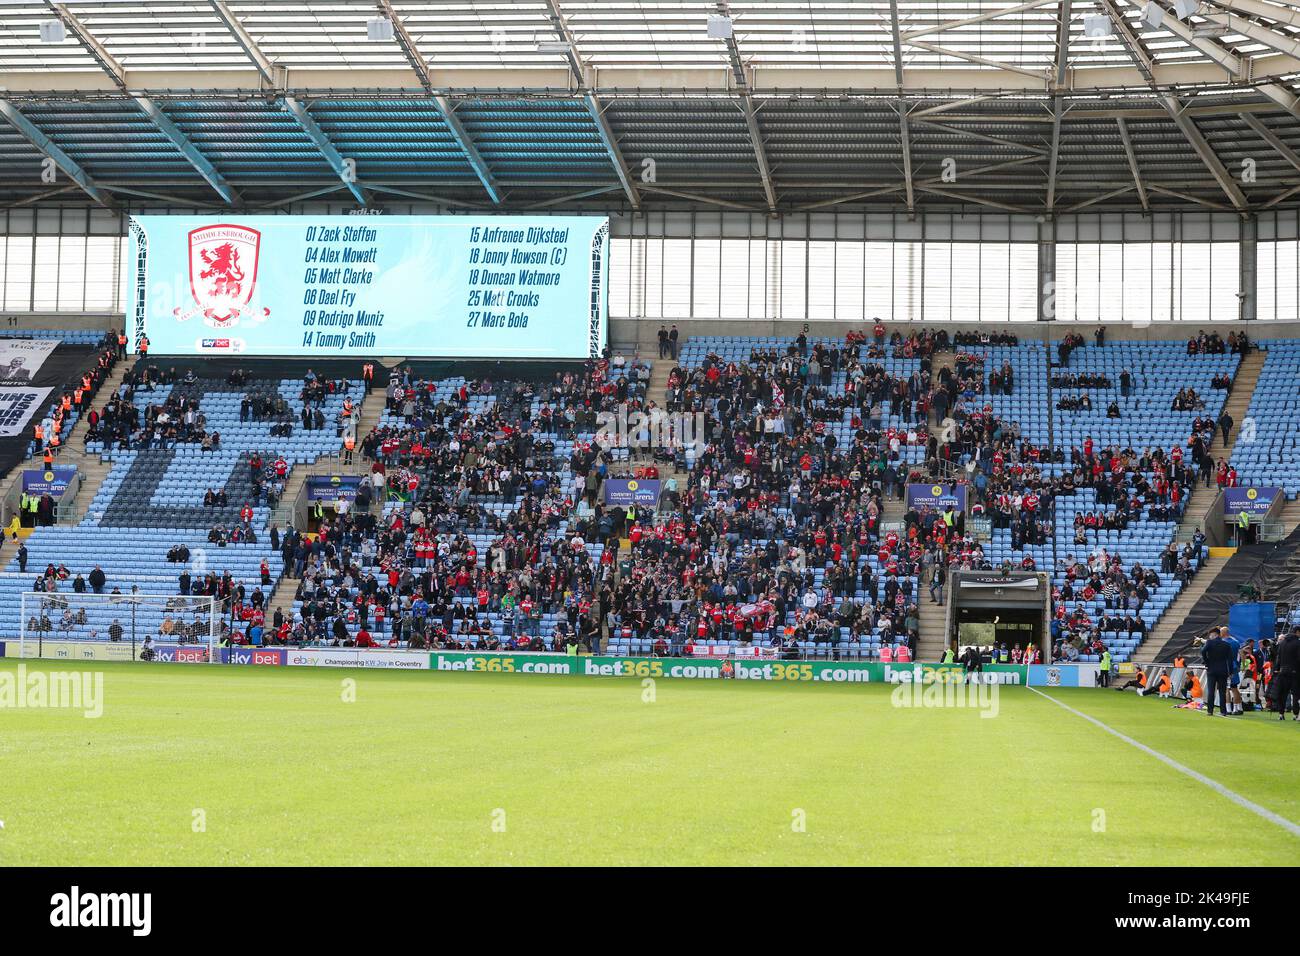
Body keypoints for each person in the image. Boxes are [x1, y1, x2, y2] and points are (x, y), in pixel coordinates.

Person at [1201, 626, 1235, 717]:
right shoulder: (1227, 645)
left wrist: (1206, 662)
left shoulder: (1209, 643)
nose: (1210, 637)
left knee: (1211, 691)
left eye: (1211, 635)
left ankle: (1210, 711)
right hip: (1223, 670)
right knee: (1222, 692)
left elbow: (1203, 651)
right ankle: (1223, 711)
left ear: (1214, 634)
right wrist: (1231, 672)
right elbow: (1230, 660)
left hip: (1211, 669)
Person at [1271, 626, 1300, 721]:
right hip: (1295, 672)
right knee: (1296, 694)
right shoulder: (1298, 643)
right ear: (1297, 632)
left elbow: (1278, 657)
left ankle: (1281, 714)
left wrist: (1277, 668)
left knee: (1282, 693)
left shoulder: (1282, 643)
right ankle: (1295, 714)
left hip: (1282, 671)